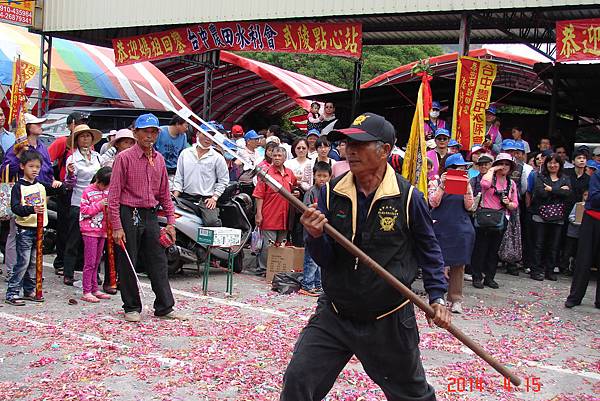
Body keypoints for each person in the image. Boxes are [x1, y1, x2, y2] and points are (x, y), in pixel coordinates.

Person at [281, 113, 450, 401]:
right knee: (299, 380)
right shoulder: (332, 193)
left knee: (413, 395)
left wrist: (437, 297)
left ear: (384, 150)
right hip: (335, 313)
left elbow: (429, 250)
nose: (351, 150)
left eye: (360, 144)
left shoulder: (408, 197)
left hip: (389, 316)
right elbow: (326, 258)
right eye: (348, 143)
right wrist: (316, 236)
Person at [108, 113, 187, 322]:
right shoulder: (124, 158)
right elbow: (113, 195)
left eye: (153, 132)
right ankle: (131, 306)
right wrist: (116, 226)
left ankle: (165, 306)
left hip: (151, 214)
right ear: (136, 133)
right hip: (129, 213)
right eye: (145, 132)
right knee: (128, 261)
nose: (149, 136)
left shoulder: (159, 160)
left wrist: (171, 222)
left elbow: (164, 195)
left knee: (158, 260)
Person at [1, 113, 61, 284]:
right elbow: (6, 169)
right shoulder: (18, 146)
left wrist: (51, 184)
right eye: (36, 123)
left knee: (36, 236)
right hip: (21, 192)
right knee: (16, 233)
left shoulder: (41, 146)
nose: (40, 126)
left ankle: (31, 273)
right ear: (28, 127)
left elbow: (47, 169)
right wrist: (19, 155)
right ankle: (13, 270)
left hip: (40, 192)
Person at [429, 153, 475, 314]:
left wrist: (465, 187)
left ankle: (456, 299)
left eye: (461, 168)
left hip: (460, 227)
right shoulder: (435, 181)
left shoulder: (466, 183)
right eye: (455, 168)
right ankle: (437, 296)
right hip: (440, 226)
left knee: (458, 264)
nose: (459, 170)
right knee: (438, 262)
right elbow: (433, 202)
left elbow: (470, 206)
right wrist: (442, 185)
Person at [63, 124, 105, 286]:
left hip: (96, 203)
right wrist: (71, 173)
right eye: (82, 136)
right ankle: (68, 272)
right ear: (77, 140)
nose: (85, 139)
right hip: (78, 202)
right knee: (74, 239)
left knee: (96, 239)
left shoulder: (97, 157)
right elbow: (69, 183)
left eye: (88, 136)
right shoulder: (72, 159)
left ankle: (95, 273)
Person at [48, 111, 88, 276]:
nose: (80, 124)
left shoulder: (90, 148)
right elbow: (45, 162)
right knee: (65, 227)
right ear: (70, 125)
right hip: (67, 191)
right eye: (78, 122)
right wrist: (53, 181)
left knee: (83, 228)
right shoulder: (62, 143)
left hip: (85, 193)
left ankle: (78, 262)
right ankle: (61, 262)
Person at [5, 151, 48, 306]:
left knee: (34, 262)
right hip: (24, 229)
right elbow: (16, 208)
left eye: (37, 166)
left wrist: (63, 182)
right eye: (31, 166)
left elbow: (56, 190)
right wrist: (31, 209)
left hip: (39, 228)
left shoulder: (40, 185)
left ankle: (29, 290)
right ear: (23, 167)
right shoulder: (18, 187)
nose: (35, 170)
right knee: (23, 261)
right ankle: (12, 292)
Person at [471, 153, 518, 289]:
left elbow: (515, 203)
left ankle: (490, 277)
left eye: (507, 164)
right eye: (501, 163)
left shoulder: (511, 183)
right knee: (480, 249)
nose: (504, 167)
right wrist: (492, 169)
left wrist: (508, 203)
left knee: (494, 250)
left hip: (500, 218)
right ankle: (477, 276)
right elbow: (484, 184)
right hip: (484, 217)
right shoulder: (490, 178)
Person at [252, 146, 297, 275]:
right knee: (268, 246)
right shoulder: (266, 174)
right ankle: (263, 269)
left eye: (280, 156)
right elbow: (259, 195)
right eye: (275, 156)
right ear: (271, 157)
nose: (277, 158)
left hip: (285, 216)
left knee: (281, 244)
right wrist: (259, 214)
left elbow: (293, 188)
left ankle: (276, 270)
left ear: (284, 158)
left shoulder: (290, 173)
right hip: (270, 214)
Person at [172, 130, 230, 227]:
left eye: (211, 136)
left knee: (211, 222)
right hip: (185, 197)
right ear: (198, 134)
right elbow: (179, 177)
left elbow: (223, 180)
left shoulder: (217, 157)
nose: (208, 138)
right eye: (205, 134)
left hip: (206, 200)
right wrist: (174, 197)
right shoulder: (185, 153)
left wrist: (214, 198)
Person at [530, 153, 571, 281]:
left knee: (554, 245)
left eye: (555, 163)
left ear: (560, 164)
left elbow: (568, 193)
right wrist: (558, 190)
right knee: (538, 244)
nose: (552, 165)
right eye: (550, 163)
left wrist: (551, 189)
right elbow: (540, 192)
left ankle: (550, 270)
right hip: (540, 215)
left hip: (558, 216)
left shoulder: (565, 178)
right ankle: (536, 270)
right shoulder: (540, 176)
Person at [565, 167, 600, 309]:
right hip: (592, 219)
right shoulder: (597, 176)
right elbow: (595, 197)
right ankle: (575, 297)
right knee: (583, 260)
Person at [298, 161, 331, 297]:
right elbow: (305, 210)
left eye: (324, 176)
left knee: (319, 262)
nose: (322, 179)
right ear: (314, 176)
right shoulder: (311, 192)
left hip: (323, 232)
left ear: (330, 177)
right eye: (319, 176)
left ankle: (318, 284)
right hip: (310, 232)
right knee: (310, 260)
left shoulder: (329, 192)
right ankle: (307, 284)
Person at [79, 167, 112, 303]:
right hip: (90, 230)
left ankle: (94, 288)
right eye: (104, 184)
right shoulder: (88, 192)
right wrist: (99, 205)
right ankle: (86, 290)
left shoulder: (108, 191)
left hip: (103, 231)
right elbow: (84, 211)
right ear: (98, 180)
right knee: (90, 262)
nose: (105, 187)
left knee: (97, 261)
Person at [561, 190, 588, 276]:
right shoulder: (578, 205)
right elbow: (571, 216)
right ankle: (564, 267)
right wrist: (577, 221)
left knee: (578, 252)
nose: (586, 197)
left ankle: (574, 268)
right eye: (585, 195)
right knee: (568, 250)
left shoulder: (590, 207)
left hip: (582, 234)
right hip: (573, 232)